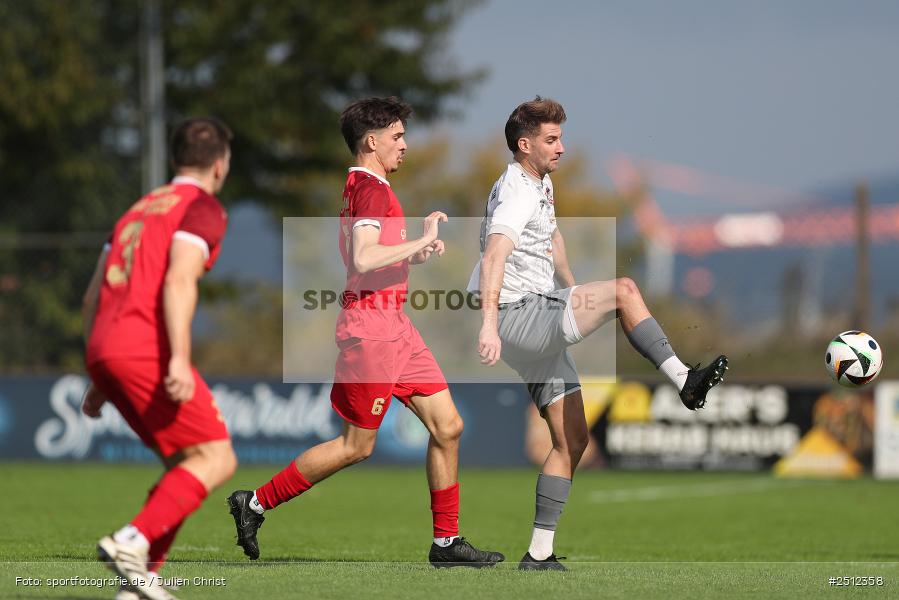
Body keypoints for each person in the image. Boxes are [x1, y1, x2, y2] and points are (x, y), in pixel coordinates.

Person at [227, 96, 503, 568]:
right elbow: (362, 257)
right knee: (357, 446)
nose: (405, 145)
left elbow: (373, 257)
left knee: (448, 427)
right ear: (371, 142)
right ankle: (253, 504)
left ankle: (446, 544)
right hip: (371, 333)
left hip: (396, 328)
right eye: (397, 137)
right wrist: (420, 239)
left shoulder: (364, 185)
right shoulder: (372, 189)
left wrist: (414, 252)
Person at [469, 97, 728, 571]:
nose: (562, 147)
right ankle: (684, 381)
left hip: (534, 312)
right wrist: (489, 324)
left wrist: (573, 292)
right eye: (552, 139)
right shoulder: (517, 190)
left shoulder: (538, 183)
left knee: (572, 441)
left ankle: (538, 555)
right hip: (518, 315)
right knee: (625, 290)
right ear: (524, 145)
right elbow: (494, 255)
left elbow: (551, 240)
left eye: (561, 137)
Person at [81, 117, 237, 600]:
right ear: (220, 163)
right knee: (217, 456)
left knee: (186, 462)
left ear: (174, 160)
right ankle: (131, 541)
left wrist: (98, 375)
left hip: (106, 346)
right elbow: (178, 280)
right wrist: (178, 360)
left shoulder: (137, 209)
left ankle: (139, 585)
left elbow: (92, 298)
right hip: (144, 346)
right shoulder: (202, 207)